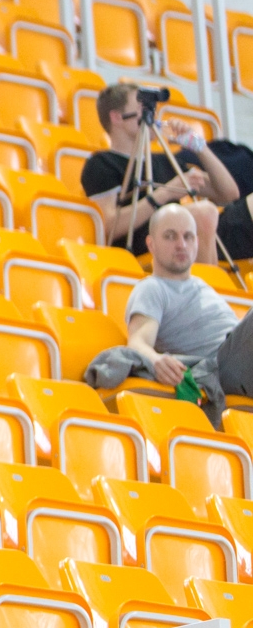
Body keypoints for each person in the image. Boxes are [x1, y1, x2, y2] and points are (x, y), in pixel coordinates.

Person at [81, 81, 253, 261]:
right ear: (117, 117)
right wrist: (165, 193)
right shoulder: (102, 163)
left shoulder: (164, 161)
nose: (151, 114)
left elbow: (228, 194)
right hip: (149, 244)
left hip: (192, 237)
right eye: (142, 107)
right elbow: (108, 226)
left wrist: (199, 147)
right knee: (203, 212)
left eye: (152, 108)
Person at [126, 203, 253, 398]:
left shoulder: (203, 285)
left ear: (196, 243)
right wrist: (155, 360)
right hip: (220, 367)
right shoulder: (152, 287)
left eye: (188, 237)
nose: (181, 245)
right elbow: (137, 341)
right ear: (151, 244)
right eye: (170, 236)